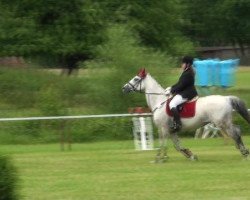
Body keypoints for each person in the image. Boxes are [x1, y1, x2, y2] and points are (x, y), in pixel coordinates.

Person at [165, 56, 198, 132]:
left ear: (188, 64)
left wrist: (171, 91)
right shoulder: (187, 71)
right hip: (185, 92)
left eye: (183, 63)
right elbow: (179, 83)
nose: (181, 65)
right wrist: (170, 87)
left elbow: (181, 86)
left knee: (172, 104)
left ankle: (178, 123)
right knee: (172, 101)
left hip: (187, 93)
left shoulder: (188, 73)